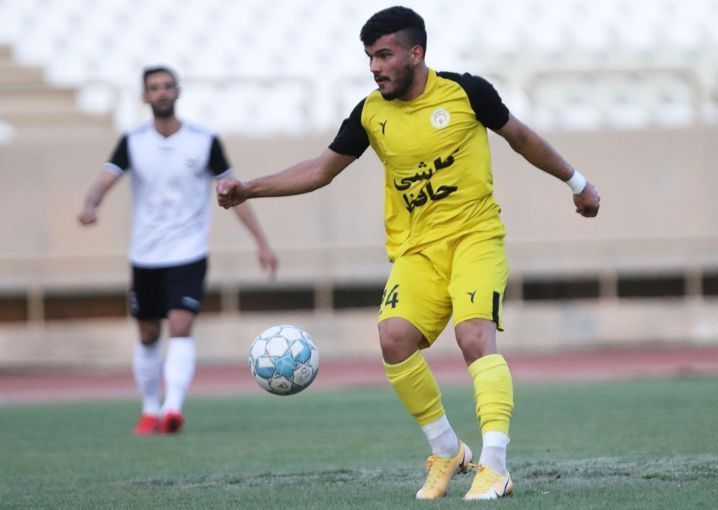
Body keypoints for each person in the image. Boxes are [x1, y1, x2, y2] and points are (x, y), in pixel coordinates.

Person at [217, 6, 600, 500]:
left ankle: (495, 466)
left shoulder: (466, 93)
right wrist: (248, 188)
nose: (374, 67)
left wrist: (578, 183)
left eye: (384, 55)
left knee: (473, 337)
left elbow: (522, 139)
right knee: (393, 338)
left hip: (475, 238)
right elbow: (319, 170)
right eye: (369, 58)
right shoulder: (369, 114)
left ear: (415, 53)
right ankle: (447, 450)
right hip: (416, 250)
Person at [78, 66, 278, 436]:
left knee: (181, 325)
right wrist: (91, 205)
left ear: (178, 92)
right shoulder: (133, 141)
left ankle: (172, 408)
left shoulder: (204, 141)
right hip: (146, 255)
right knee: (148, 333)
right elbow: (104, 180)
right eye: (154, 87)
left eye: (168, 86)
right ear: (145, 96)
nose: (162, 92)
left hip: (188, 252)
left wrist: (261, 242)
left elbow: (233, 192)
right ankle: (149, 409)